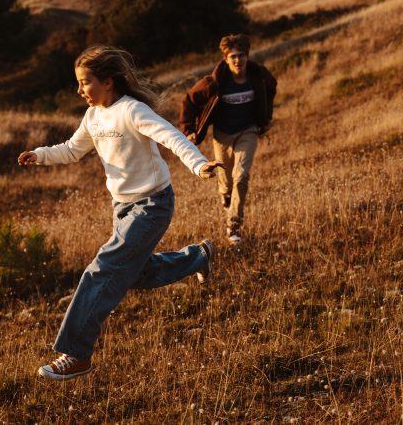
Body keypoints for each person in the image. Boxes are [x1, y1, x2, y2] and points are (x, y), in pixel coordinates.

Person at [17, 45, 221, 382]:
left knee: (104, 269)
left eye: (85, 82)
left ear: (108, 81)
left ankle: (77, 354)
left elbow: (171, 137)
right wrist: (40, 155)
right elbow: (71, 150)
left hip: (152, 205)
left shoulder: (132, 111)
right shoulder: (93, 116)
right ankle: (198, 257)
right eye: (79, 83)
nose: (79, 90)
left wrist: (198, 165)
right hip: (122, 208)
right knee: (135, 274)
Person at [180, 34, 277, 247]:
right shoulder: (214, 83)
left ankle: (234, 226)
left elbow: (271, 89)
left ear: (247, 56)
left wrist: (266, 118)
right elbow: (189, 100)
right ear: (225, 59)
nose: (237, 61)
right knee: (226, 183)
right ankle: (225, 196)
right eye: (232, 56)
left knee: (241, 176)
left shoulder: (258, 76)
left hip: (248, 132)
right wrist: (189, 130)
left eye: (241, 55)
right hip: (222, 135)